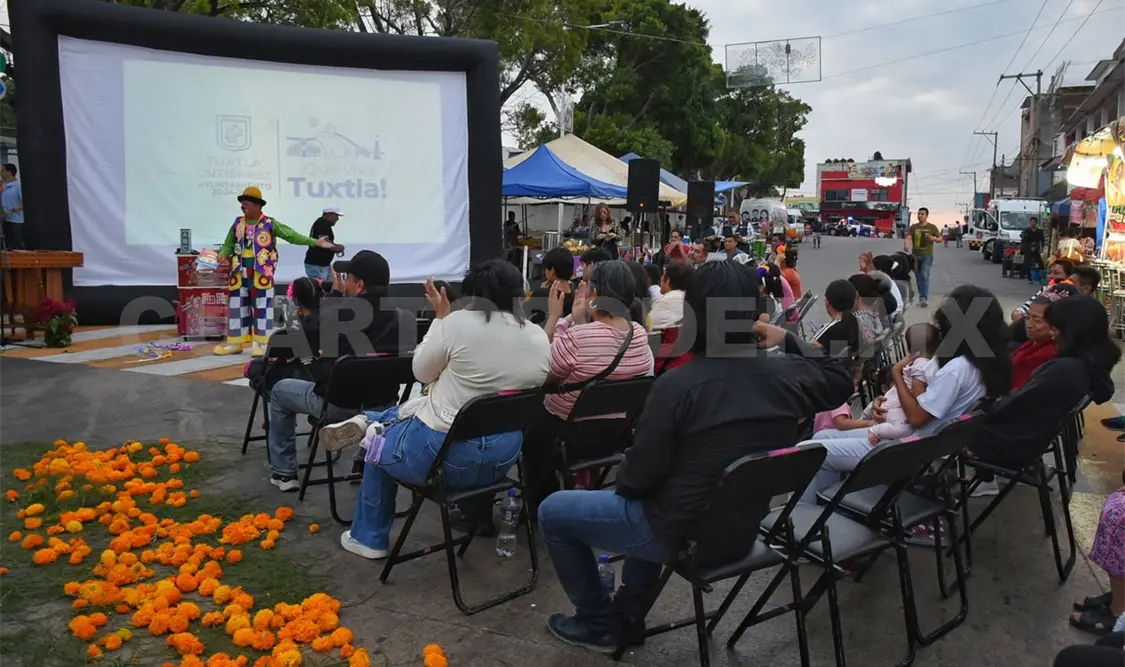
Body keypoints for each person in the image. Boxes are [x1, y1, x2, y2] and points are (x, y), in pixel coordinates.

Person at [536, 261, 854, 653]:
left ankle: (598, 623)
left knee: (555, 512)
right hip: (739, 528)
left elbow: (636, 480)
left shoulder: (678, 385)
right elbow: (840, 378)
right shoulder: (787, 376)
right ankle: (629, 614)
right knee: (665, 496)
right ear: (754, 314)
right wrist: (786, 338)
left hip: (678, 533)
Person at [320, 259, 551, 560]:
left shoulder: (458, 323)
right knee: (427, 406)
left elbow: (421, 372)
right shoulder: (536, 334)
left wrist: (441, 318)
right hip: (502, 459)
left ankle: (369, 538)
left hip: (444, 458)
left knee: (376, 448)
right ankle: (372, 421)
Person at [799, 284, 1012, 502]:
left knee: (808, 452)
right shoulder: (982, 363)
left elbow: (917, 417)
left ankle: (802, 518)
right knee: (821, 437)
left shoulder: (958, 369)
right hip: (918, 443)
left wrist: (897, 375)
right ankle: (824, 504)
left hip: (907, 449)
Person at [266, 250, 415, 492]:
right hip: (384, 403)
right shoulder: (403, 317)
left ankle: (284, 472)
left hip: (338, 405)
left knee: (281, 390)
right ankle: (365, 456)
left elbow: (298, 329)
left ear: (360, 285)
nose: (344, 281)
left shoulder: (338, 314)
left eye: (349, 277)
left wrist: (334, 295)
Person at [969, 296, 1117, 471]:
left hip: (1009, 442)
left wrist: (975, 409)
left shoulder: (1064, 370)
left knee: (944, 423)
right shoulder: (1085, 365)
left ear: (1073, 330)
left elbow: (1011, 405)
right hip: (1024, 437)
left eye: (1055, 327)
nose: (1052, 333)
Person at [214, 187, 336, 357]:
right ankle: (236, 342)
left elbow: (292, 236)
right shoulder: (237, 223)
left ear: (258, 205)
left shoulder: (270, 223)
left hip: (261, 273)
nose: (243, 206)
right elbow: (228, 244)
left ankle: (261, 343)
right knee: (237, 306)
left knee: (262, 306)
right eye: (242, 203)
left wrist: (315, 242)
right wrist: (221, 255)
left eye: (247, 202)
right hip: (239, 272)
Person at [860, 323, 940, 444]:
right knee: (904, 430)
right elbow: (919, 395)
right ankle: (875, 430)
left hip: (893, 403)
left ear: (908, 348)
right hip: (894, 407)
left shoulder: (920, 362)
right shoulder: (922, 364)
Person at [1011, 258, 1076, 320]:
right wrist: (1018, 313)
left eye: (1057, 273)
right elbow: (1028, 306)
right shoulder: (1046, 288)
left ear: (1069, 276)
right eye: (1050, 272)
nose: (1051, 276)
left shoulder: (1073, 294)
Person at [810, 279, 860, 359]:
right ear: (854, 302)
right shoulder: (856, 324)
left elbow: (807, 351)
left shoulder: (830, 329)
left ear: (827, 302)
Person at [529, 246, 575, 326]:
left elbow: (532, 320)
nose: (545, 272)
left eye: (546, 269)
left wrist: (540, 291)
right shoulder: (576, 295)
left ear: (553, 271)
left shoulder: (542, 294)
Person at [907, 207, 940, 307]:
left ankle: (923, 299)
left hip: (927, 255)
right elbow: (908, 236)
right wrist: (906, 245)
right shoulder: (914, 227)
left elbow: (940, 238)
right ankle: (922, 296)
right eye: (918, 214)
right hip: (915, 256)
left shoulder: (932, 227)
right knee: (918, 277)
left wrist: (932, 238)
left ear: (926, 215)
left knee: (924, 276)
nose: (920, 216)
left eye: (922, 214)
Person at [650, 260, 693, 331]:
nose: (661, 279)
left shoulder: (666, 301)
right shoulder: (689, 298)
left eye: (663, 275)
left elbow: (648, 325)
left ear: (668, 281)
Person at [303, 207, 344, 281]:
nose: (337, 219)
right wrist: (336, 247)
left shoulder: (322, 223)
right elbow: (324, 241)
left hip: (321, 265)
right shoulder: (322, 223)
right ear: (328, 214)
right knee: (321, 289)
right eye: (336, 215)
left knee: (327, 287)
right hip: (318, 265)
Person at [0, 163, 24, 250]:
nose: (1, 173)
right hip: (3, 220)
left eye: (2, 171)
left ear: (9, 172)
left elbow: (24, 203)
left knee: (14, 246)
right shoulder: (2, 186)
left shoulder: (18, 186)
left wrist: (11, 211)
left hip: (15, 221)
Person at [1020, 217, 1046, 283]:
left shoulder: (1039, 231)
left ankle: (1042, 278)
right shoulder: (1027, 230)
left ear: (1036, 223)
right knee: (1027, 263)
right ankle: (1029, 278)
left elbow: (1042, 240)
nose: (1033, 223)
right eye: (1032, 221)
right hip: (1028, 248)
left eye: (1034, 222)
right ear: (1030, 222)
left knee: (1040, 263)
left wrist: (1042, 247)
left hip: (1036, 248)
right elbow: (1024, 241)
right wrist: (1029, 247)